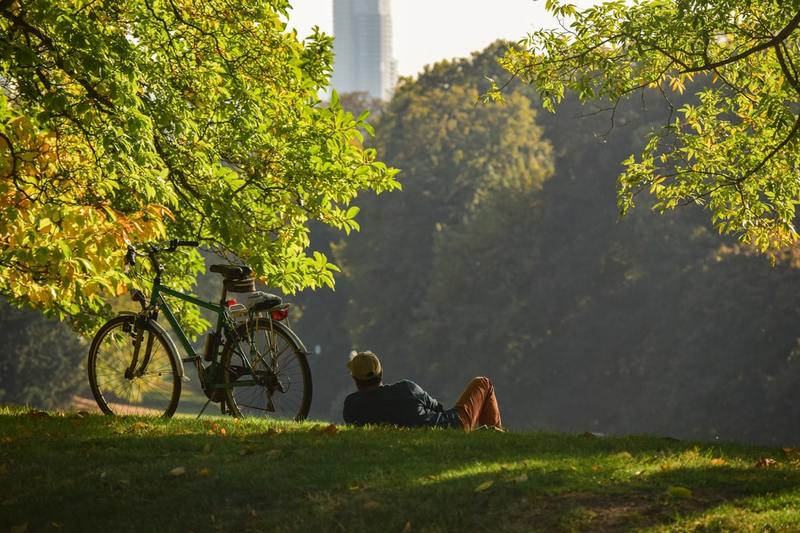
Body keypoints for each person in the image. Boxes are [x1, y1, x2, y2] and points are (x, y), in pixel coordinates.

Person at [342, 350, 503, 431]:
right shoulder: (406, 388)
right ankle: (497, 436)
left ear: (355, 379)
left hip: (434, 434)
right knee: (483, 383)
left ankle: (489, 435)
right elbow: (438, 408)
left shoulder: (351, 405)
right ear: (381, 373)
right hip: (451, 426)